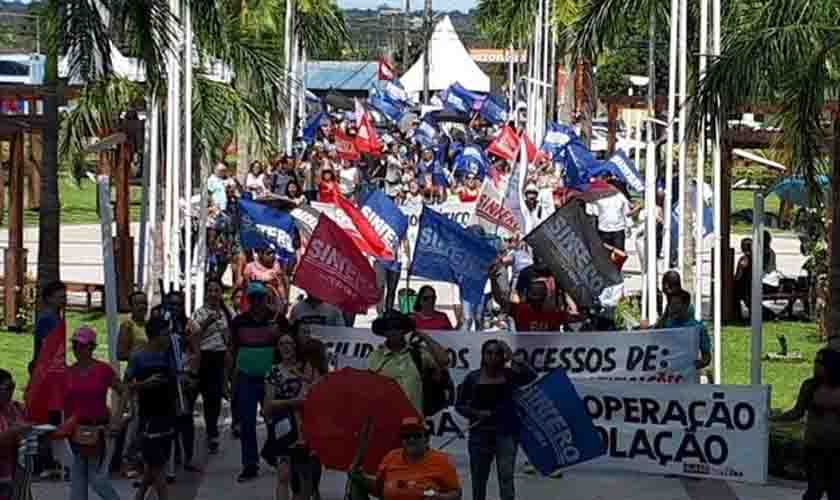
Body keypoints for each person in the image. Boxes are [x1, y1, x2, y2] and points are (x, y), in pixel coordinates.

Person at [456, 340, 536, 500]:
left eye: (497, 353)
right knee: (479, 479)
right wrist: (476, 413)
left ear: (503, 356)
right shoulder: (473, 378)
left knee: (506, 478)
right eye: (489, 353)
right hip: (479, 435)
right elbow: (459, 405)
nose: (493, 357)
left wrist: (514, 357)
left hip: (506, 434)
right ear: (483, 356)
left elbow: (531, 377)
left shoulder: (509, 375)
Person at [65, 327, 127, 500]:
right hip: (74, 431)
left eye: (82, 345)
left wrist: (117, 418)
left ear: (92, 347)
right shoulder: (68, 373)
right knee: (78, 478)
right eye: (75, 345)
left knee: (95, 477)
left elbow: (124, 391)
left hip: (98, 430)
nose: (78, 349)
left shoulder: (102, 370)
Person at [231, 282, 283, 482]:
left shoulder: (276, 319)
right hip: (246, 376)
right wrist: (231, 377)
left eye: (260, 298)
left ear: (265, 299)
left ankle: (271, 452)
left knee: (274, 420)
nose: (257, 302)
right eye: (253, 298)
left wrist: (277, 335)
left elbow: (288, 345)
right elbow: (233, 349)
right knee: (247, 423)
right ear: (248, 300)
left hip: (271, 378)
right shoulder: (239, 321)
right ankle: (250, 464)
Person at [773, 348, 840, 500]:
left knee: (835, 491)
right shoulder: (810, 386)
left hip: (837, 450)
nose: (816, 365)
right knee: (813, 491)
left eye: (820, 362)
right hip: (814, 448)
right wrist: (775, 419)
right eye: (815, 361)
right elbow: (797, 412)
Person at [126, 311, 178, 500]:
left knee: (158, 463)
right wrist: (144, 384)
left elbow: (175, 378)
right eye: (165, 334)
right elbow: (127, 385)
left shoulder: (168, 355)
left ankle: (139, 497)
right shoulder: (138, 358)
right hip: (149, 416)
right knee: (157, 467)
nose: (168, 338)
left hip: (168, 413)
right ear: (154, 336)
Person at [351, 417, 461, 500]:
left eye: (417, 435)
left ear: (426, 439)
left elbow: (457, 493)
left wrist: (441, 497)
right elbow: (379, 489)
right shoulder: (390, 457)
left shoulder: (442, 461)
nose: (411, 439)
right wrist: (360, 477)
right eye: (406, 436)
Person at [367, 311, 449, 414]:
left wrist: (424, 337)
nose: (393, 331)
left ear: (404, 330)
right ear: (384, 332)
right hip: (385, 422)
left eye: (397, 326)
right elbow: (370, 389)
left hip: (413, 423)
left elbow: (444, 360)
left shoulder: (418, 353)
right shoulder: (375, 356)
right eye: (388, 327)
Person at [186, 279, 232, 455]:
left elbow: (230, 338)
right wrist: (207, 322)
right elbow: (192, 336)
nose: (213, 294)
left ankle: (212, 433)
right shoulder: (198, 313)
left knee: (213, 399)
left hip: (219, 358)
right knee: (194, 395)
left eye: (217, 290)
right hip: (202, 357)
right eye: (210, 290)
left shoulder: (227, 313)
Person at [116, 290, 149, 476]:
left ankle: (141, 459)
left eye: (144, 303)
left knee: (146, 421)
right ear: (131, 306)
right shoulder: (127, 326)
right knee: (135, 421)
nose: (142, 307)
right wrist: (140, 355)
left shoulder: (150, 325)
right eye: (138, 303)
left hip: (150, 380)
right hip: (134, 379)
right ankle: (126, 460)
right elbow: (120, 353)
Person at [490, 267, 576, 332]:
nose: (536, 296)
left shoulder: (554, 314)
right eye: (534, 292)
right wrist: (494, 279)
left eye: (539, 292)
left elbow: (500, 299)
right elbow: (500, 299)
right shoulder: (520, 310)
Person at [655, 290, 711, 370]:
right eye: (671, 305)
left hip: (685, 376)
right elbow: (652, 336)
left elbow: (706, 356)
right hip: (665, 374)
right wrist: (665, 315)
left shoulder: (698, 328)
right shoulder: (666, 324)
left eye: (676, 304)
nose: (673, 308)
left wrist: (701, 363)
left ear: (686, 305)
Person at [0, 369, 31, 500]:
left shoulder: (16, 408)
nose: (11, 391)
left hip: (16, 477)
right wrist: (14, 431)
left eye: (13, 386)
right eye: (7, 387)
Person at [239, 246, 289, 319]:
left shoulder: (276, 267)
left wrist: (284, 301)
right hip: (254, 304)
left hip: (272, 303)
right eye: (268, 253)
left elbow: (280, 285)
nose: (272, 255)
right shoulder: (250, 267)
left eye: (273, 252)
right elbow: (245, 288)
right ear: (260, 254)